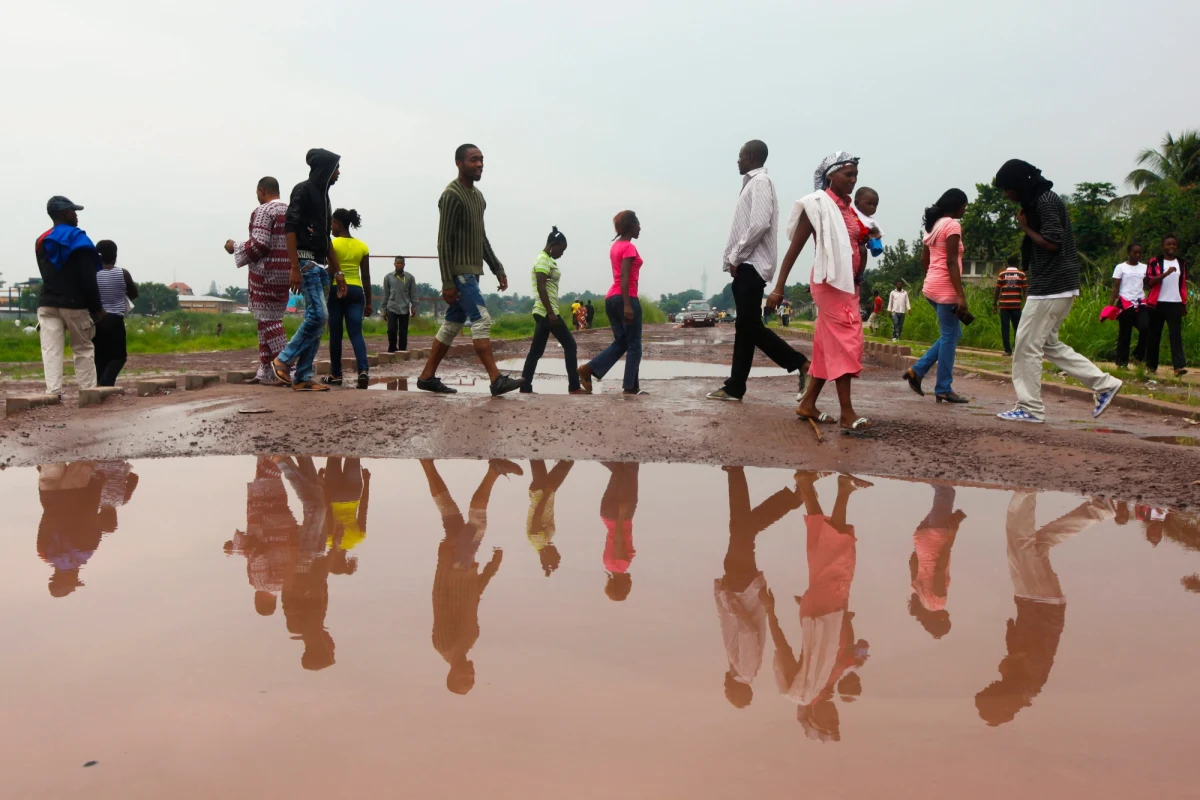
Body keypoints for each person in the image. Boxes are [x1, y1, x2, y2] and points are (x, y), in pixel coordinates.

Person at [993, 159, 1122, 423]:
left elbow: (1053, 242)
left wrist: (1025, 228)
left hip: (1051, 288)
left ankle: (1030, 408)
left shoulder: (1045, 202)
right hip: (1054, 287)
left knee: (1026, 346)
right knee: (1049, 345)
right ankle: (1104, 384)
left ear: (1019, 183)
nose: (1006, 195)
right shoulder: (1038, 201)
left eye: (1007, 188)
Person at [976, 491, 1113, 726]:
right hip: (1037, 602)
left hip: (1041, 604)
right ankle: (1026, 489)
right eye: (989, 691)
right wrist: (1011, 658)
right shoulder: (1029, 684)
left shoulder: (1022, 686)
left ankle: (1100, 509)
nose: (988, 685)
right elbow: (1035, 654)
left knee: (1039, 544)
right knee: (1018, 543)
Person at [766, 472, 870, 742]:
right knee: (825, 553)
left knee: (837, 557)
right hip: (833, 612)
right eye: (837, 720)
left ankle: (842, 490)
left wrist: (769, 610)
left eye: (829, 721)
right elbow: (846, 649)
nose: (834, 716)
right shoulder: (829, 684)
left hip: (820, 614)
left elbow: (784, 648)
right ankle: (806, 485)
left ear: (813, 718)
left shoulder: (799, 691)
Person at [772, 152, 872, 433]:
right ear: (831, 175)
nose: (853, 180)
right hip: (829, 285)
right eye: (848, 174)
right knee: (847, 341)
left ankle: (808, 404)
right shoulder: (815, 205)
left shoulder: (850, 210)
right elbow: (796, 249)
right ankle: (848, 413)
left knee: (828, 346)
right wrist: (779, 286)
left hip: (848, 285)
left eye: (855, 175)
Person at [706, 140, 810, 404]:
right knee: (745, 328)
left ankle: (802, 364)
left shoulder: (761, 183)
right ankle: (735, 387)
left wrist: (736, 257)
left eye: (740, 157)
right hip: (746, 266)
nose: (737, 161)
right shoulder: (752, 185)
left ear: (751, 157)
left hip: (751, 265)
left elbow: (759, 225)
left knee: (750, 327)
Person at [416, 144, 522, 396]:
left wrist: (497, 267)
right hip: (459, 273)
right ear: (459, 163)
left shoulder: (478, 197)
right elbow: (444, 241)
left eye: (482, 160)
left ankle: (427, 376)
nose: (479, 164)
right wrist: (447, 281)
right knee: (481, 319)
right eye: (473, 160)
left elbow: (481, 238)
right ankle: (496, 379)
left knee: (453, 324)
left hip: (473, 272)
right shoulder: (451, 195)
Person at [422, 458, 521, 693]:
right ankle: (426, 463)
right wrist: (490, 569)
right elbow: (473, 599)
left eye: (465, 679)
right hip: (465, 568)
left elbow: (439, 599)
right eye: (472, 680)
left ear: (452, 676)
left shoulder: (445, 645)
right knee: (449, 513)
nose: (472, 675)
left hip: (456, 566)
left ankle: (494, 471)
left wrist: (444, 560)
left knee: (477, 523)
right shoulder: (467, 644)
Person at [715, 466, 803, 709]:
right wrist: (729, 601)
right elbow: (747, 632)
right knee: (742, 529)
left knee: (742, 528)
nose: (724, 688)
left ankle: (738, 473)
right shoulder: (745, 671)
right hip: (741, 589)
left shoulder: (742, 670)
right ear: (737, 692)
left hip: (741, 588)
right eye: (728, 694)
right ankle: (792, 497)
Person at [272, 149, 348, 392]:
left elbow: (326, 240)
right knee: (318, 316)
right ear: (325, 169)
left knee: (316, 322)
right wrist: (294, 266)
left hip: (322, 266)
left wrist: (338, 273)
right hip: (305, 262)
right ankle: (283, 359)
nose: (338, 173)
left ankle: (303, 376)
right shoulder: (302, 190)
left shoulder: (325, 198)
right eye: (335, 168)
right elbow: (290, 227)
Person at [902, 189, 970, 404]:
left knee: (952, 334)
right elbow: (951, 261)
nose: (965, 210)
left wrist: (934, 277)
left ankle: (918, 370)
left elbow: (925, 259)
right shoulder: (951, 225)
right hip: (946, 289)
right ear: (957, 205)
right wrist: (960, 295)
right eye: (964, 206)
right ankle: (943, 388)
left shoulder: (933, 226)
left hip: (931, 287)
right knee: (950, 337)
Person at [35, 196, 103, 397]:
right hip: (74, 304)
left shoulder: (41, 240)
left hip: (47, 303)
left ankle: (53, 393)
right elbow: (88, 277)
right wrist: (96, 308)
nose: (76, 215)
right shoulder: (78, 238)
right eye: (73, 211)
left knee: (51, 350)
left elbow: (45, 272)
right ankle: (88, 393)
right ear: (65, 213)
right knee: (82, 348)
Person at [226, 177, 290, 384]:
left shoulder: (263, 211)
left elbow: (259, 246)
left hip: (265, 274)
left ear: (262, 191)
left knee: (270, 323)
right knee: (264, 323)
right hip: (286, 273)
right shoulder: (289, 211)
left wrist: (234, 247)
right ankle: (266, 370)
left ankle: (288, 367)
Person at [274, 455, 336, 671]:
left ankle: (283, 463)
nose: (333, 645)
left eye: (331, 650)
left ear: (321, 649)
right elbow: (321, 582)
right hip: (314, 556)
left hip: (305, 558)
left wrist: (295, 559)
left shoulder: (304, 626)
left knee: (315, 507)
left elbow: (292, 589)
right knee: (318, 501)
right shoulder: (314, 626)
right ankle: (303, 455)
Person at [578, 212, 646, 395]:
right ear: (631, 225)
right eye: (638, 224)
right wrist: (627, 305)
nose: (640, 228)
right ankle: (630, 387)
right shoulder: (629, 248)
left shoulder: (616, 246)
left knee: (623, 342)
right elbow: (624, 275)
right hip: (626, 298)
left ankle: (588, 369)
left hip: (611, 299)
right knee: (634, 345)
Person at [225, 457, 299, 618]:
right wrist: (238, 547)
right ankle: (277, 448)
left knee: (272, 479)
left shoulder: (287, 584)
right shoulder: (260, 584)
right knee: (265, 476)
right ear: (258, 600)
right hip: (265, 522)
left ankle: (277, 451)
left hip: (284, 523)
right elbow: (259, 554)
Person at [520, 227, 583, 394]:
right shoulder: (543, 260)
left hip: (544, 312)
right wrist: (551, 313)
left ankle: (525, 386)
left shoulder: (547, 260)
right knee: (570, 345)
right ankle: (574, 386)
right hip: (546, 312)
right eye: (561, 249)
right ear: (554, 244)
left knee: (536, 351)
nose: (561, 254)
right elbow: (541, 287)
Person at [35, 462, 108, 598]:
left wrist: (96, 484)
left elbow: (90, 512)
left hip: (75, 491)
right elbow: (43, 520)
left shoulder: (84, 552)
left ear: (71, 576)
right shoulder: (44, 554)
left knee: (84, 450)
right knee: (52, 454)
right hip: (48, 495)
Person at [908, 485, 967, 639]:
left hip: (937, 540)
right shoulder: (920, 599)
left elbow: (940, 569)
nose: (949, 616)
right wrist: (922, 546)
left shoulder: (938, 604)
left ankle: (924, 466)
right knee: (945, 495)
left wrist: (951, 537)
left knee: (945, 492)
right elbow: (912, 563)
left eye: (947, 620)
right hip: (922, 540)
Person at [326, 208, 372, 389]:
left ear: (338, 224)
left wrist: (326, 298)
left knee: (335, 335)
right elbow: (366, 276)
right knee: (356, 333)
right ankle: (363, 371)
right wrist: (369, 301)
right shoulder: (362, 246)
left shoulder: (332, 244)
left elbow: (331, 272)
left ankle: (336, 374)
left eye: (332, 224)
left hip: (337, 289)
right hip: (356, 291)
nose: (331, 227)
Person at [92, 240, 138, 386]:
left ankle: (100, 384)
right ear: (115, 255)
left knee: (99, 356)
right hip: (115, 320)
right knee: (118, 357)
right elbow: (134, 294)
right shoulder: (122, 273)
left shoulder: (93, 273)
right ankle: (106, 383)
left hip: (96, 320)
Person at [1144, 234, 1190, 377]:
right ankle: (1151, 366)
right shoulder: (1154, 262)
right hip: (1157, 303)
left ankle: (1178, 367)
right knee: (1154, 334)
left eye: (1174, 244)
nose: (1171, 247)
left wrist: (1184, 303)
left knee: (1175, 334)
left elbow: (1182, 284)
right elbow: (1149, 282)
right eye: (1168, 244)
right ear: (1162, 246)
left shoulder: (1181, 263)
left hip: (1175, 303)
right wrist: (1166, 273)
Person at [526, 460, 574, 577]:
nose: (556, 550)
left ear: (548, 556)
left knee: (567, 462)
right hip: (542, 493)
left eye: (555, 554)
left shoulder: (538, 541)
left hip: (541, 493)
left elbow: (537, 516)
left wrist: (546, 494)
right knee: (537, 459)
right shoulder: (541, 543)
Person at [600, 462, 639, 600]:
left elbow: (618, 541)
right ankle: (596, 453)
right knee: (619, 474)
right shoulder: (607, 564)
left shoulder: (621, 566)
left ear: (623, 586)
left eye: (627, 589)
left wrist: (621, 515)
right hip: (606, 514)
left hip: (620, 517)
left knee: (630, 471)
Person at [1109, 243, 1149, 369]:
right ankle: (1122, 363)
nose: (1137, 255)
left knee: (1146, 328)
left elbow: (1147, 284)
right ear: (1129, 253)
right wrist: (1110, 305)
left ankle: (1138, 356)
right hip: (1125, 302)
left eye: (1139, 253)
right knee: (1125, 333)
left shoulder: (1144, 268)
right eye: (1134, 253)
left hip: (1140, 302)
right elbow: (1116, 287)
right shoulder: (1121, 267)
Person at [992, 255, 1027, 357]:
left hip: (1004, 306)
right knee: (1018, 328)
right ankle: (1018, 349)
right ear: (1017, 263)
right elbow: (1025, 290)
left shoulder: (1002, 274)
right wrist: (1027, 304)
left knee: (1005, 327)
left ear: (1008, 263)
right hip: (1016, 305)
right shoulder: (1021, 274)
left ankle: (1007, 350)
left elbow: (997, 290)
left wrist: (994, 304)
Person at [381, 255, 417, 352]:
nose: (399, 265)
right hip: (392, 307)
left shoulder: (410, 278)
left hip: (404, 308)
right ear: (394, 264)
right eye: (398, 263)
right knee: (391, 330)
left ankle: (402, 351)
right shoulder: (388, 277)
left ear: (404, 265)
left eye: (401, 263)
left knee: (403, 332)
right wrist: (383, 310)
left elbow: (413, 294)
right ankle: (392, 348)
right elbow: (385, 294)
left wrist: (414, 307)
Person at [854, 187, 884, 258]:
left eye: (875, 205)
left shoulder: (872, 221)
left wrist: (875, 235)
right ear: (857, 203)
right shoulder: (852, 213)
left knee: (863, 253)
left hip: (861, 246)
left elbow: (877, 232)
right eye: (869, 204)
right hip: (850, 244)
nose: (872, 207)